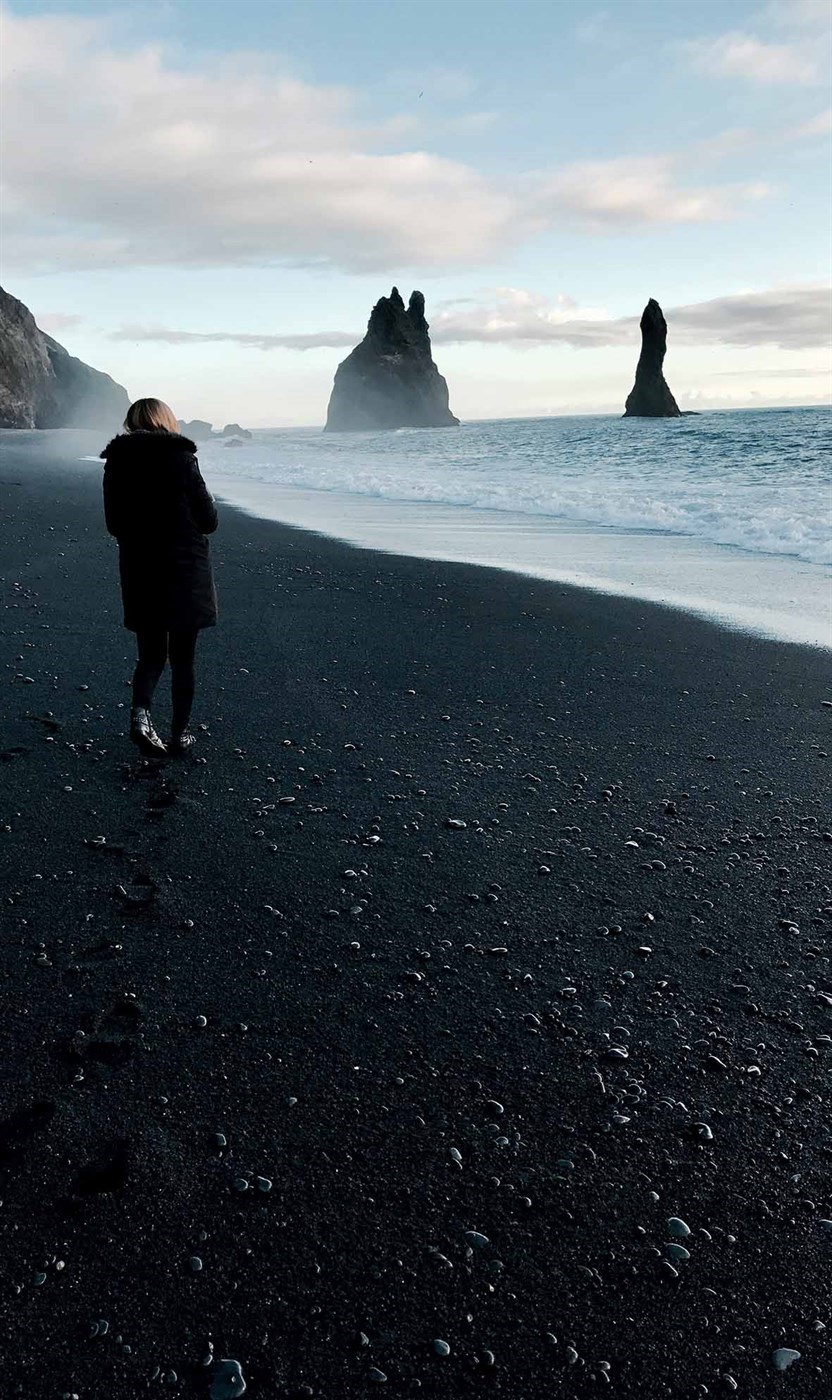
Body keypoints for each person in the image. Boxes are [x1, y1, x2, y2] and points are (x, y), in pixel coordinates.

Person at [101, 398, 218, 757]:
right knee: (184, 657)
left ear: (132, 421)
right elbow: (209, 520)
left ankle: (140, 715)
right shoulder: (183, 459)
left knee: (151, 654)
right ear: (166, 420)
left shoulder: (116, 463)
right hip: (185, 568)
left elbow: (114, 524)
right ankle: (178, 735)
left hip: (140, 568)